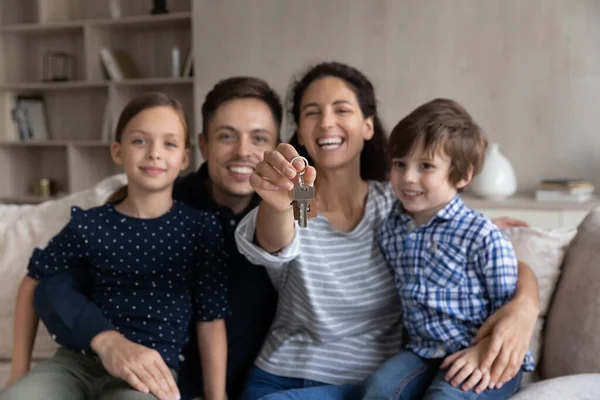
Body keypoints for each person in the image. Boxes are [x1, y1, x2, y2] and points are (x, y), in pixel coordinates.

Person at [235, 61, 540, 400]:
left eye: (341, 109)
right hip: (278, 374)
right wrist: (278, 204)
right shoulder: (299, 202)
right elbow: (276, 239)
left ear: (367, 126)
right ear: (301, 133)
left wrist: (524, 306)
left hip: (362, 383)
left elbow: (469, 244)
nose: (326, 122)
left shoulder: (399, 206)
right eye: (311, 113)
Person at [11, 77, 283, 400]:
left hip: (160, 375)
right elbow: (46, 282)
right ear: (203, 147)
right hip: (82, 362)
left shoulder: (206, 227)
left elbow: (212, 319)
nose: (155, 154)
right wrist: (21, 369)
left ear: (183, 156)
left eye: (259, 138)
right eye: (227, 136)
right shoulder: (98, 221)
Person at [361, 98, 534, 400]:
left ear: (463, 175)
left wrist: (483, 351)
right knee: (377, 390)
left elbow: (506, 309)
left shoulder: (483, 235)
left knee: (445, 397)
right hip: (424, 350)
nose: (408, 177)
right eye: (400, 164)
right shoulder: (391, 228)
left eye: (426, 166)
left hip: (483, 353)